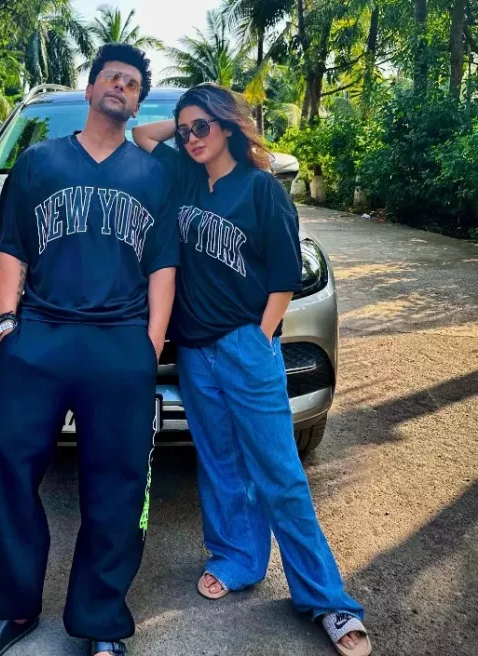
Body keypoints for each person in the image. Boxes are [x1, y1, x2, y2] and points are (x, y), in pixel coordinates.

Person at [0, 44, 179, 656]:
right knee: (9, 471)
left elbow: (162, 267)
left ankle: (100, 622)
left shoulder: (153, 174)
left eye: (133, 84)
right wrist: (6, 326)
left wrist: (150, 346)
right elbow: (12, 249)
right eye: (113, 77)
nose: (121, 87)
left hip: (120, 345)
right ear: (90, 87)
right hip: (40, 340)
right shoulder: (38, 162)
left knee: (118, 485)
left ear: (137, 101)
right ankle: (9, 610)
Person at [132, 83, 372, 656]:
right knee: (220, 464)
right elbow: (141, 135)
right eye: (185, 130)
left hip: (245, 344)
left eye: (202, 127)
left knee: (280, 472)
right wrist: (182, 124)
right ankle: (236, 559)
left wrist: (260, 336)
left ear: (228, 126)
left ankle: (328, 600)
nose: (191, 138)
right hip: (195, 352)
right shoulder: (186, 177)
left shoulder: (262, 189)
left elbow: (283, 274)